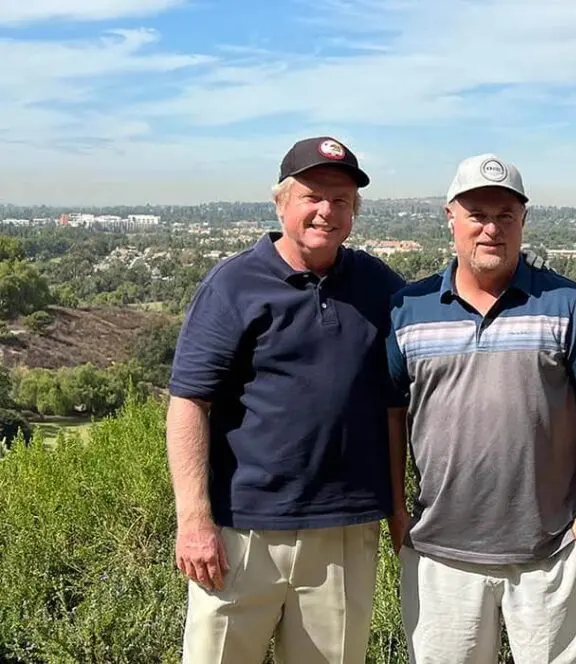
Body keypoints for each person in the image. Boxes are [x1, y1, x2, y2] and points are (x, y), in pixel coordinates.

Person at [167, 136, 406, 663]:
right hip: (240, 531)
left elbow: (409, 390)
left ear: (355, 212)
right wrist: (194, 521)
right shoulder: (233, 285)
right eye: (312, 196)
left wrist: (398, 509)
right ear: (281, 203)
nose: (327, 211)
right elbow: (189, 402)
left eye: (341, 200)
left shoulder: (377, 284)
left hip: (342, 530)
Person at [386, 153, 576, 664]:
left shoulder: (568, 303)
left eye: (505, 215)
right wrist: (397, 512)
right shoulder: (408, 311)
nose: (490, 228)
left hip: (552, 554)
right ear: (450, 216)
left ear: (523, 219)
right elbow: (391, 413)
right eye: (477, 214)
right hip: (440, 555)